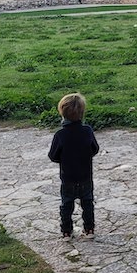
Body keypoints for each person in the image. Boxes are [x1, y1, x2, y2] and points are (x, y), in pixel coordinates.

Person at [48, 92, 99, 239]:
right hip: (85, 176)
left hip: (68, 177)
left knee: (66, 205)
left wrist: (64, 160)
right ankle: (89, 229)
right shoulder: (87, 131)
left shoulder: (60, 135)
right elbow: (94, 149)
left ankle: (66, 231)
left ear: (62, 113)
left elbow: (53, 155)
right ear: (82, 113)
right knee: (87, 203)